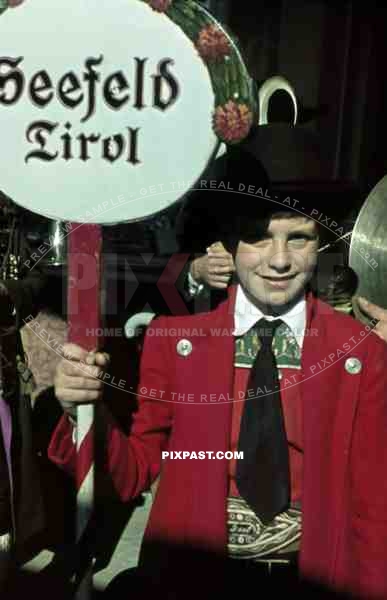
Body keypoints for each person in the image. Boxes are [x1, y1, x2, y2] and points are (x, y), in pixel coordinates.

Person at [49, 148, 387, 599]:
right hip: (194, 578)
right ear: (229, 245)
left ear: (321, 242)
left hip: (312, 581)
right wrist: (83, 414)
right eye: (259, 238)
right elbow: (132, 473)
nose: (280, 260)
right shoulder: (174, 342)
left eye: (299, 238)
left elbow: (373, 503)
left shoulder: (359, 350)